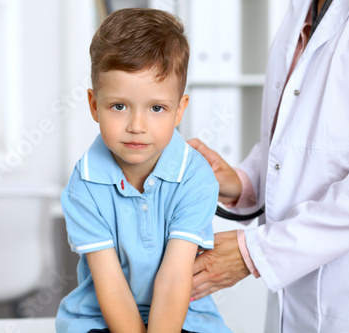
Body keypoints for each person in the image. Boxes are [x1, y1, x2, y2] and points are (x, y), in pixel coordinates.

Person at [189, 0, 349, 332]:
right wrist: (243, 181)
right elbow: (301, 132)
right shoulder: (304, 6)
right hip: (294, 299)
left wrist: (258, 252)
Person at [56, 8, 231, 333]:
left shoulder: (194, 176)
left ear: (179, 111)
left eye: (157, 108)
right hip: (101, 318)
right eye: (119, 106)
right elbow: (110, 285)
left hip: (185, 315)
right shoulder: (84, 184)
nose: (137, 126)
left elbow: (175, 276)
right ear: (94, 105)